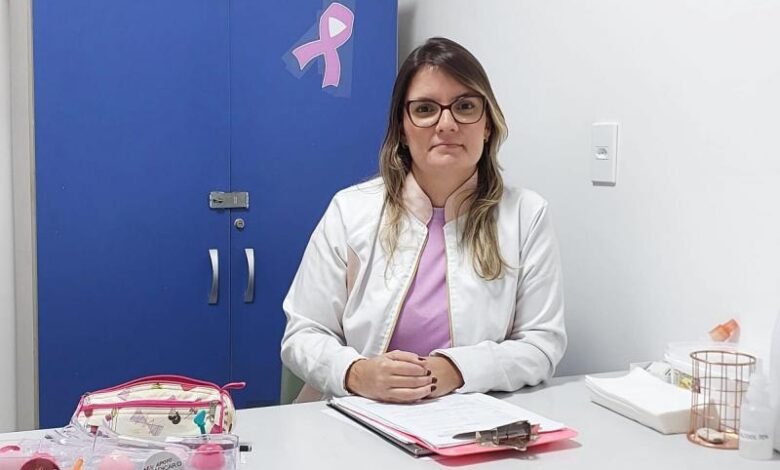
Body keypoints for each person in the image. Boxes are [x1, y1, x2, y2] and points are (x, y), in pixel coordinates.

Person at [281, 37, 566, 404]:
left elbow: (542, 344)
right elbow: (302, 334)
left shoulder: (526, 215)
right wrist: (357, 373)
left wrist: (455, 370)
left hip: (471, 417)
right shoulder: (350, 211)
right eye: (426, 109)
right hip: (360, 412)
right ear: (402, 127)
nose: (446, 124)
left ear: (487, 125)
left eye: (465, 106)